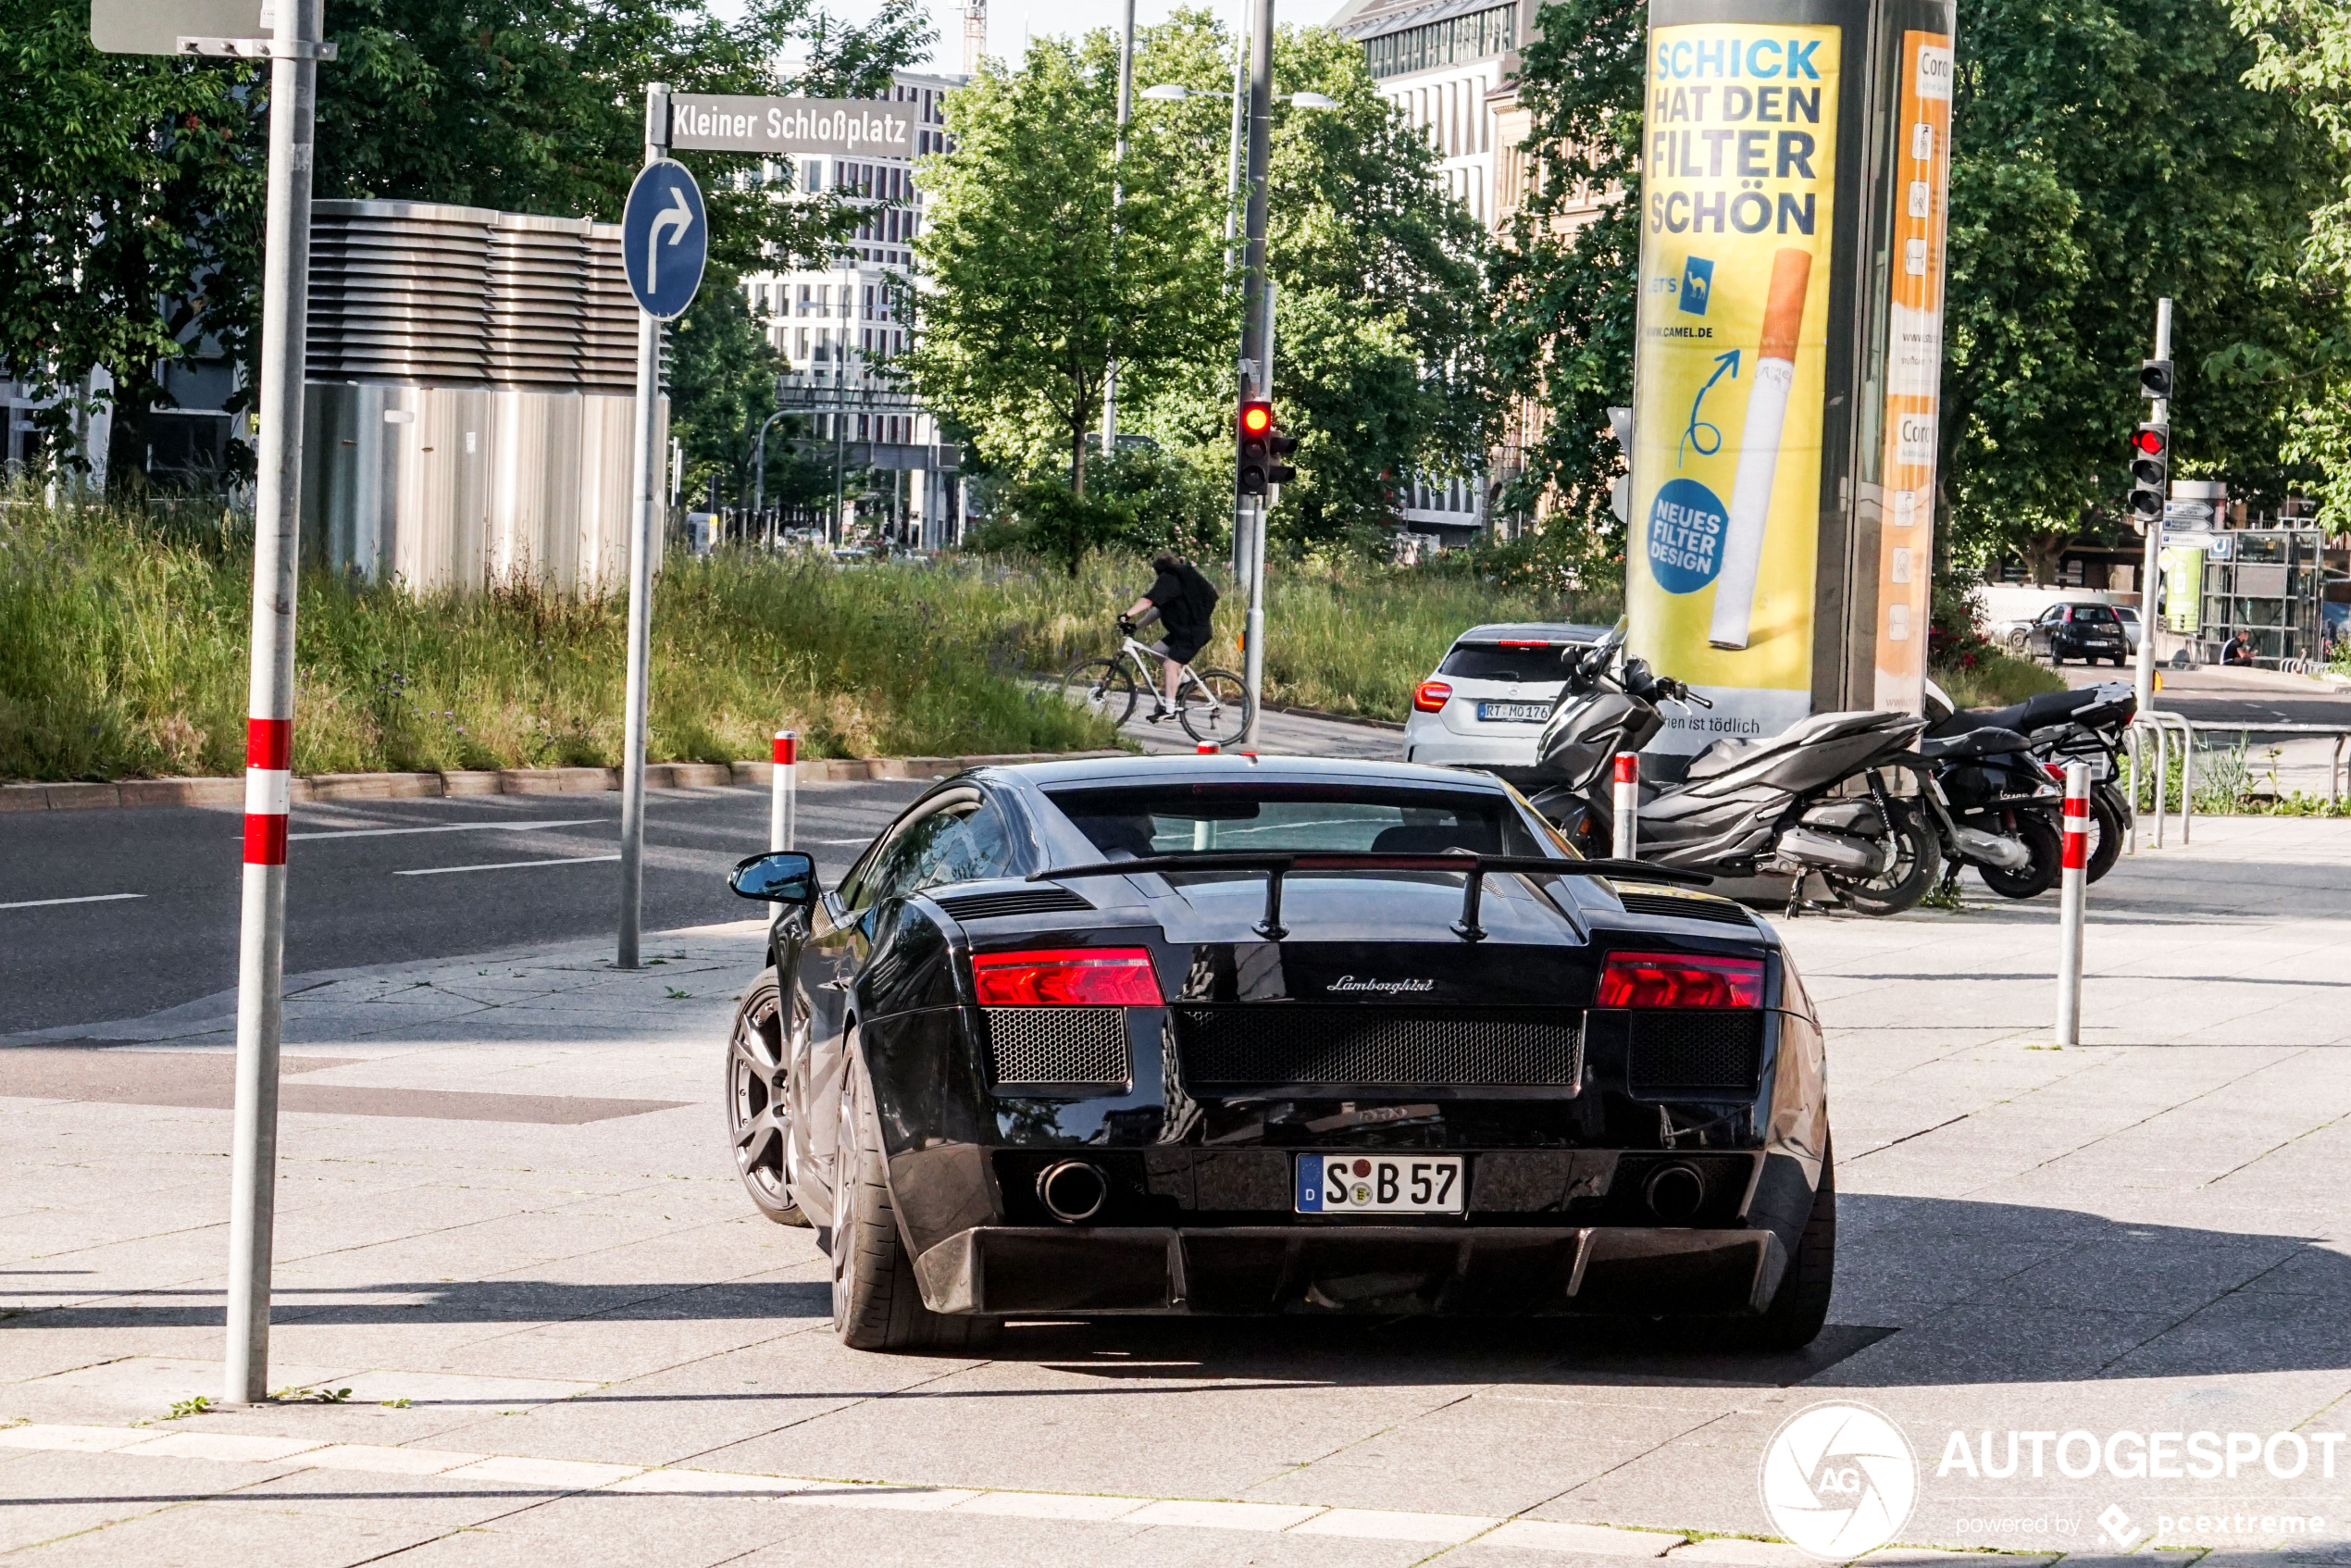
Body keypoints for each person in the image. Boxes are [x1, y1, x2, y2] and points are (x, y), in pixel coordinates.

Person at [1120, 553, 1220, 716]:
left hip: (1192, 633)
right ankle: (1185, 683)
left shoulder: (1170, 579)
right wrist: (1135, 626)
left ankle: (1169, 709)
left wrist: (1126, 615)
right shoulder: (1177, 580)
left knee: (1170, 665)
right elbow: (1158, 610)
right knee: (1157, 650)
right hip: (1185, 631)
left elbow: (1148, 601)